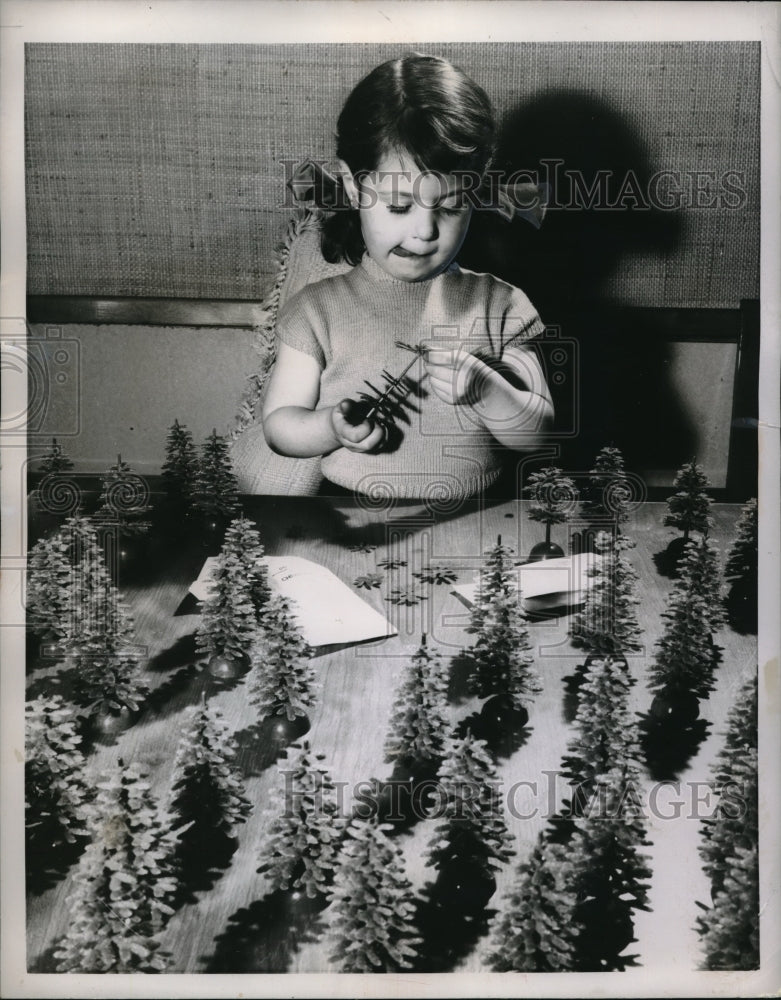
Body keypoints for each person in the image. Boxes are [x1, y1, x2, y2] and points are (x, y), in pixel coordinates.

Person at [262, 54, 553, 500]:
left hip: (474, 519)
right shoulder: (316, 309)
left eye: (452, 206)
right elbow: (280, 425)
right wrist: (329, 426)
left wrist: (487, 389)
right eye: (399, 206)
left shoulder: (500, 306)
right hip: (348, 513)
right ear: (354, 187)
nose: (424, 231)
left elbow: (539, 433)